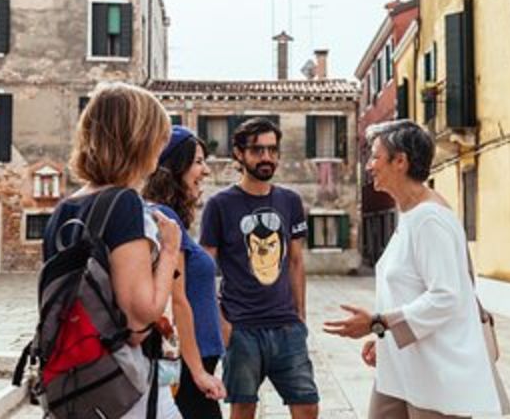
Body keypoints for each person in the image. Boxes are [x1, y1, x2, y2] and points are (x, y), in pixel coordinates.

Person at [323, 120, 510, 419]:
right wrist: (384, 335)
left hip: (436, 376)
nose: (369, 165)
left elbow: (446, 296)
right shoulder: (410, 214)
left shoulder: (429, 219)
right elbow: (411, 288)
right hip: (403, 368)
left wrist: (378, 323)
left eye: (375, 156)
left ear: (400, 161)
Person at [42, 82, 180, 418]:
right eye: (159, 137)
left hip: (74, 380)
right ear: (139, 139)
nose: (162, 148)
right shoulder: (124, 203)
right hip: (123, 388)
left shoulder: (64, 209)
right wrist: (170, 251)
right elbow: (138, 317)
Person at [200, 118, 319, 419]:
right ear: (239, 154)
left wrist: (300, 315)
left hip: (286, 327)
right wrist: (222, 321)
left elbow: (295, 261)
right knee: (243, 409)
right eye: (257, 150)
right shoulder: (219, 205)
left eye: (272, 150)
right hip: (242, 329)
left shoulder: (289, 201)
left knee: (307, 405)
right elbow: (205, 267)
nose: (266, 157)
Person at [143, 125, 227, 418]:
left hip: (196, 359)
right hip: (189, 365)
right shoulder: (166, 219)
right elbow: (177, 302)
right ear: (174, 167)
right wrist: (199, 372)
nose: (205, 171)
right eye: (198, 161)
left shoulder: (168, 216)